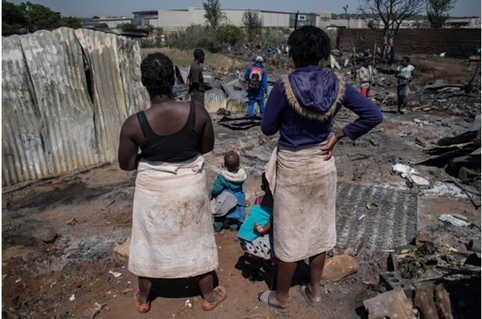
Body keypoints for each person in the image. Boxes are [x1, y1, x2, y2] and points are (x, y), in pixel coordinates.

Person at [259, 26, 383, 313]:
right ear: (324, 54)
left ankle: (281, 297)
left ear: (294, 53)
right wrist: (338, 135)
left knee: (289, 234)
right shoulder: (338, 85)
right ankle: (314, 292)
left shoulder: (285, 85)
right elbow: (374, 115)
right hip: (323, 163)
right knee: (319, 230)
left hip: (293, 166)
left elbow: (267, 128)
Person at [118, 53, 226, 313]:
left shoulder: (134, 123)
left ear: (144, 82)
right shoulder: (197, 112)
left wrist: (153, 156)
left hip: (152, 192)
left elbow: (127, 164)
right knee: (197, 237)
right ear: (173, 79)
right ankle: (209, 296)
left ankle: (144, 300)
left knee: (147, 240)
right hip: (190, 187)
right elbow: (207, 147)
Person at [238, 173, 277, 284]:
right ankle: (274, 283)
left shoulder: (258, 199)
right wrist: (264, 229)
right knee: (275, 260)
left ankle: (253, 275)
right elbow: (273, 220)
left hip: (256, 237)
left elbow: (254, 215)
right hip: (270, 237)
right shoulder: (276, 203)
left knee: (254, 256)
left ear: (262, 187)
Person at [210, 150, 248, 232]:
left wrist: (212, 194)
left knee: (220, 216)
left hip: (225, 199)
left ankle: (217, 228)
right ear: (239, 164)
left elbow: (217, 189)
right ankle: (233, 228)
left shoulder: (222, 176)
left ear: (225, 164)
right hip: (238, 199)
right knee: (234, 216)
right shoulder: (242, 176)